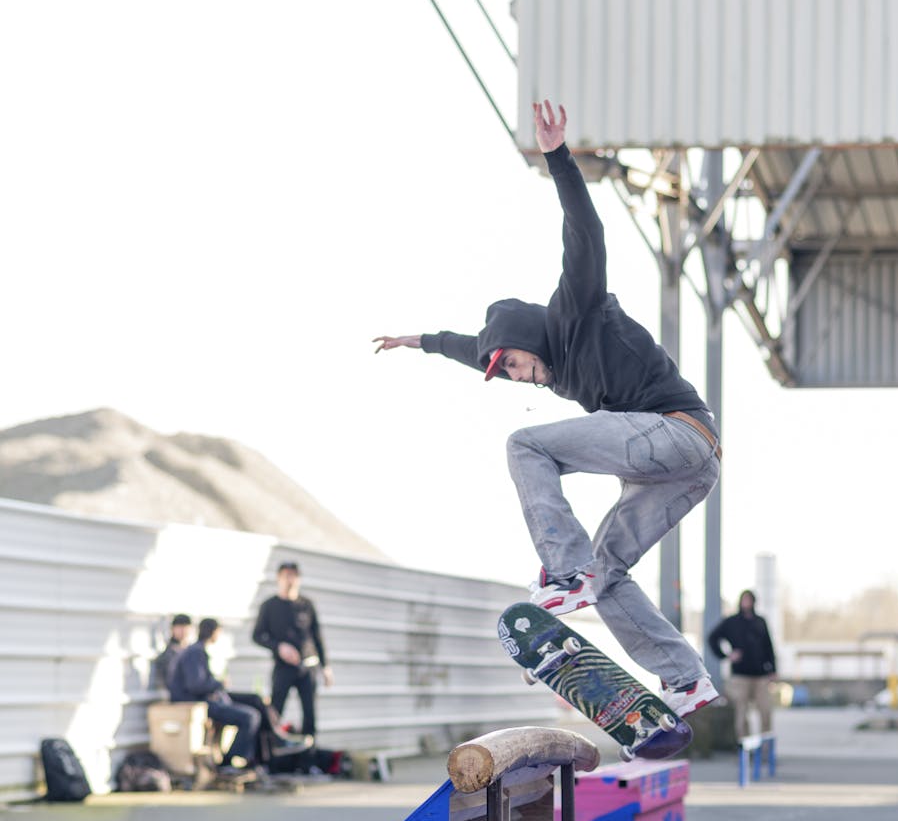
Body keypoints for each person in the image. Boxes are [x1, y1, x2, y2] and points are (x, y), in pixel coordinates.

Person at [374, 99, 721, 737]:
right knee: (606, 574)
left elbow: (584, 230)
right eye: (503, 374)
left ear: (528, 336)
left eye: (512, 364)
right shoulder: (550, 366)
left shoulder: (575, 311)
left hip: (676, 432)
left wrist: (557, 157)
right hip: (689, 470)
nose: (515, 377)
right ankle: (684, 678)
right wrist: (419, 341)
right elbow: (466, 345)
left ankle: (562, 571)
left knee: (526, 446)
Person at [168, 618, 262, 773]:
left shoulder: (197, 650)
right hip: (196, 702)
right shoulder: (195, 652)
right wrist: (219, 684)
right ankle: (229, 761)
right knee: (250, 717)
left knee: (255, 700)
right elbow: (195, 685)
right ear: (213, 632)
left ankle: (269, 748)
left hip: (205, 698)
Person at [252, 563, 333, 740]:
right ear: (279, 578)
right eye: (286, 575)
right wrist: (278, 646)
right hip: (283, 667)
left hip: (308, 666)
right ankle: (270, 753)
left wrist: (325, 667)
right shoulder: (269, 606)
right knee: (275, 710)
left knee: (309, 713)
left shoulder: (306, 605)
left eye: (294, 576)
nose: (290, 580)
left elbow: (317, 636)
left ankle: (309, 760)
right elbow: (257, 635)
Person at [708, 590, 778, 740]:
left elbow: (768, 646)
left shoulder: (760, 621)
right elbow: (712, 638)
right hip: (740, 676)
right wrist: (726, 655)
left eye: (749, 599)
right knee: (742, 714)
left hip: (760, 675)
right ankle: (745, 750)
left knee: (766, 712)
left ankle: (766, 750)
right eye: (744, 599)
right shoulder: (732, 622)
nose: (747, 603)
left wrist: (773, 669)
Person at [152, 613, 192, 694]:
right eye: (179, 627)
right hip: (177, 696)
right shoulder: (168, 654)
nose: (183, 631)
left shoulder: (192, 651)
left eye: (185, 627)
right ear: (172, 629)